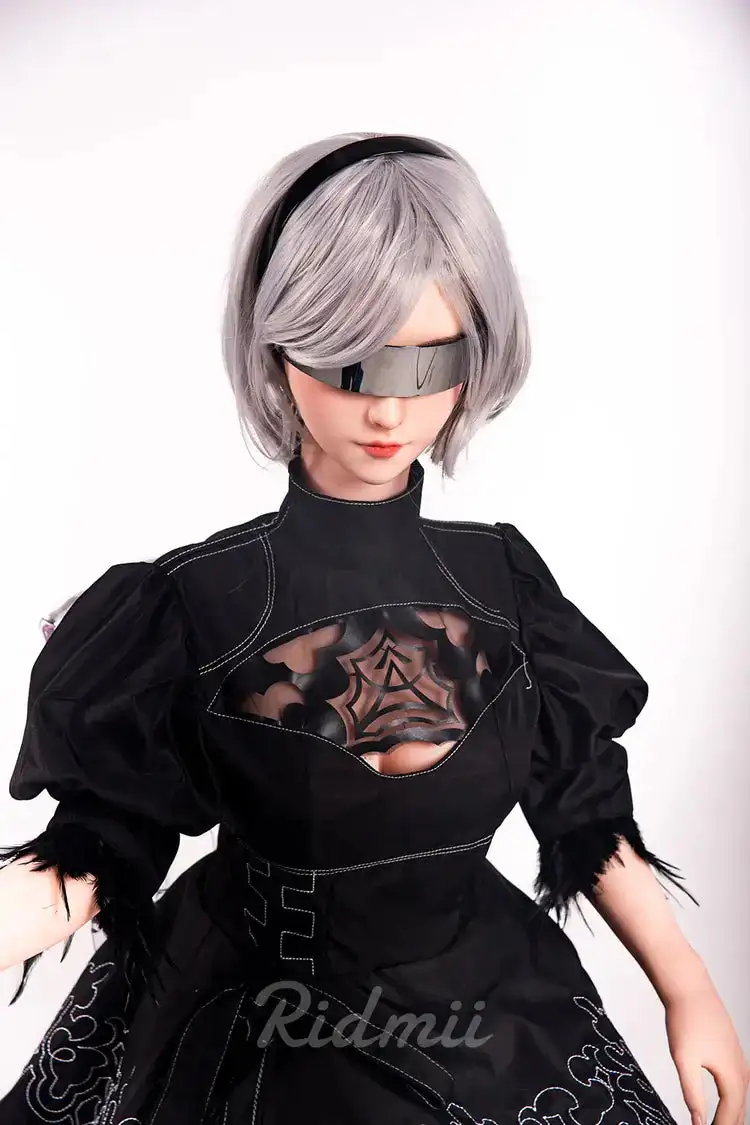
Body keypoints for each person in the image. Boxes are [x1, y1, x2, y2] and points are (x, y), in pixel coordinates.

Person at [0, 132, 746, 1125]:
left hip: (490, 1021)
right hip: (261, 1032)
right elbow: (100, 849)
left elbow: (583, 812)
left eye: (430, 361)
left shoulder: (504, 583)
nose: (389, 407)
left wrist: (689, 987)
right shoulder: (189, 602)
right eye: (349, 361)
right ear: (279, 348)